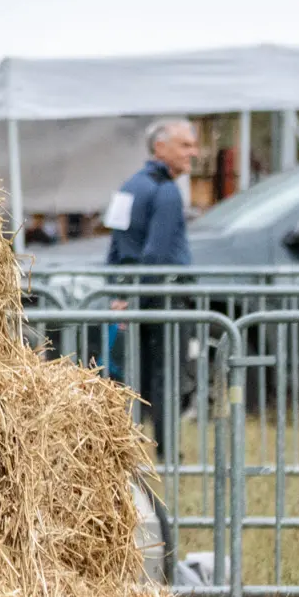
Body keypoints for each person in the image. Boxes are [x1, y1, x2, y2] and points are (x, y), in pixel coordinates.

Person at [103, 117, 198, 455]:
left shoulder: (129, 187)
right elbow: (156, 254)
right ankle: (168, 451)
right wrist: (140, 295)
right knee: (168, 373)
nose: (194, 153)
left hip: (131, 294)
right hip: (162, 295)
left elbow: (115, 247)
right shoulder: (167, 191)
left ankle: (126, 446)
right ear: (160, 147)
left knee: (132, 374)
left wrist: (119, 292)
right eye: (185, 145)